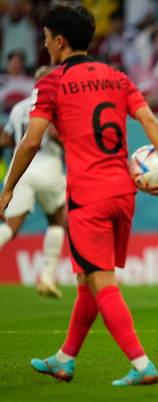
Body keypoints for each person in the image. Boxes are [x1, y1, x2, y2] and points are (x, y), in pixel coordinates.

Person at [0, 5, 158, 386]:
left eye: (46, 37)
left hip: (88, 196)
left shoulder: (50, 83)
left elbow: (31, 142)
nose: (45, 44)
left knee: (102, 283)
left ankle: (141, 363)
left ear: (60, 41)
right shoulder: (117, 78)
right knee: (88, 279)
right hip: (123, 192)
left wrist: (9, 186)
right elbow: (148, 119)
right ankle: (65, 359)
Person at [0, 66, 66, 298]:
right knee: (57, 220)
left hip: (20, 169)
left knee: (11, 226)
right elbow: (58, 135)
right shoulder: (54, 104)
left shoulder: (19, 108)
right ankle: (47, 276)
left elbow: (6, 139)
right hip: (47, 166)